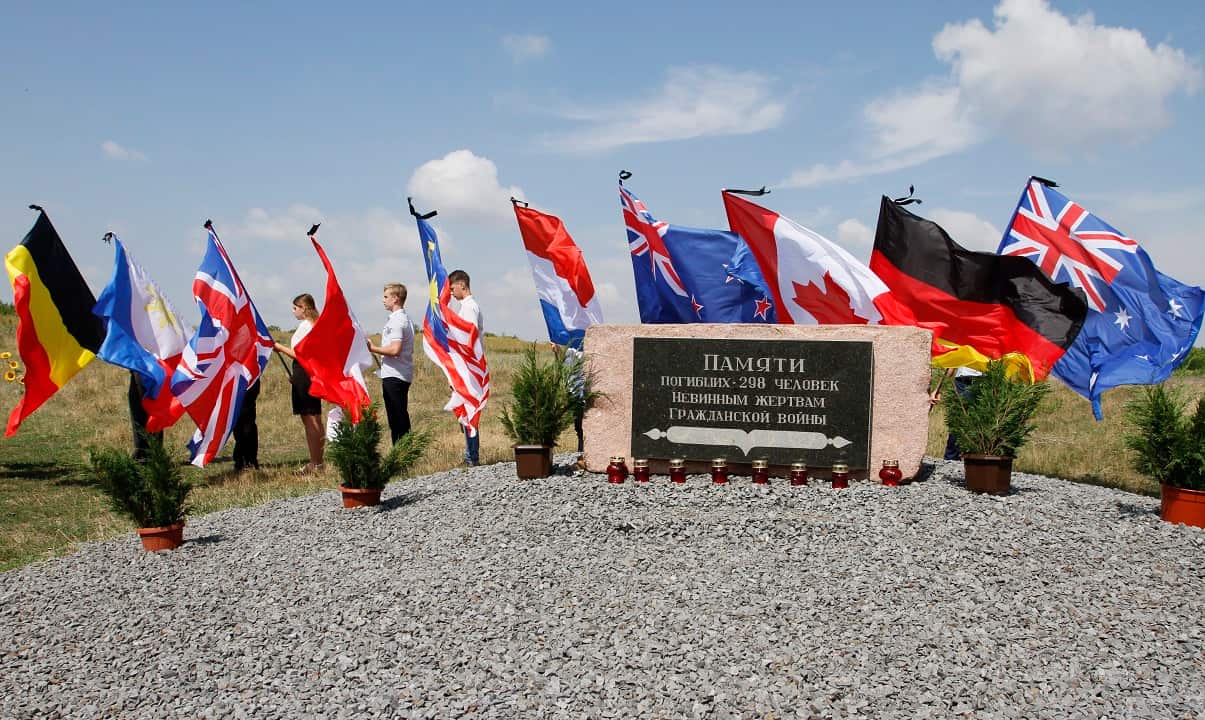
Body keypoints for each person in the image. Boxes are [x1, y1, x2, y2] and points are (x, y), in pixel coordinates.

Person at [273, 293, 325, 474]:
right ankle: (318, 461)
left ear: (304, 308)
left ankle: (315, 463)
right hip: (309, 373)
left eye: (295, 308)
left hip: (305, 373)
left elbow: (300, 354)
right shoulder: (317, 324)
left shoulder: (306, 326)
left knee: (310, 418)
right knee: (315, 417)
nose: (293, 311)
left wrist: (279, 347)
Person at [367, 283, 414, 445]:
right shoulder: (400, 318)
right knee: (397, 416)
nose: (383, 300)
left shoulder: (398, 320)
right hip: (395, 373)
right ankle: (402, 450)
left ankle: (403, 451)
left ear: (395, 299)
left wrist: (373, 348)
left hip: (396, 375)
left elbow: (395, 349)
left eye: (386, 297)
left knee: (397, 418)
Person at [449, 269, 483, 466]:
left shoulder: (469, 307)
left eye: (453, 288)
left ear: (462, 285)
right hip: (466, 366)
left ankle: (472, 456)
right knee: (466, 410)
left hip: (468, 367)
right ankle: (470, 453)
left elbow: (468, 336)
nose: (451, 293)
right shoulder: (466, 307)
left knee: (469, 410)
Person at [929, 366, 982, 460]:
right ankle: (951, 459)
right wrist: (938, 389)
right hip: (964, 382)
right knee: (958, 420)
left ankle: (975, 460)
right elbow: (951, 365)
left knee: (981, 424)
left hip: (985, 381)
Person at [127, 371, 163, 462]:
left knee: (145, 399)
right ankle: (147, 451)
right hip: (143, 365)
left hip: (147, 366)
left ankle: (147, 453)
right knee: (136, 397)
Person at [231, 377, 260, 471]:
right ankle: (243, 459)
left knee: (247, 420)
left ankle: (248, 459)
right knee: (239, 420)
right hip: (235, 379)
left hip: (249, 378)